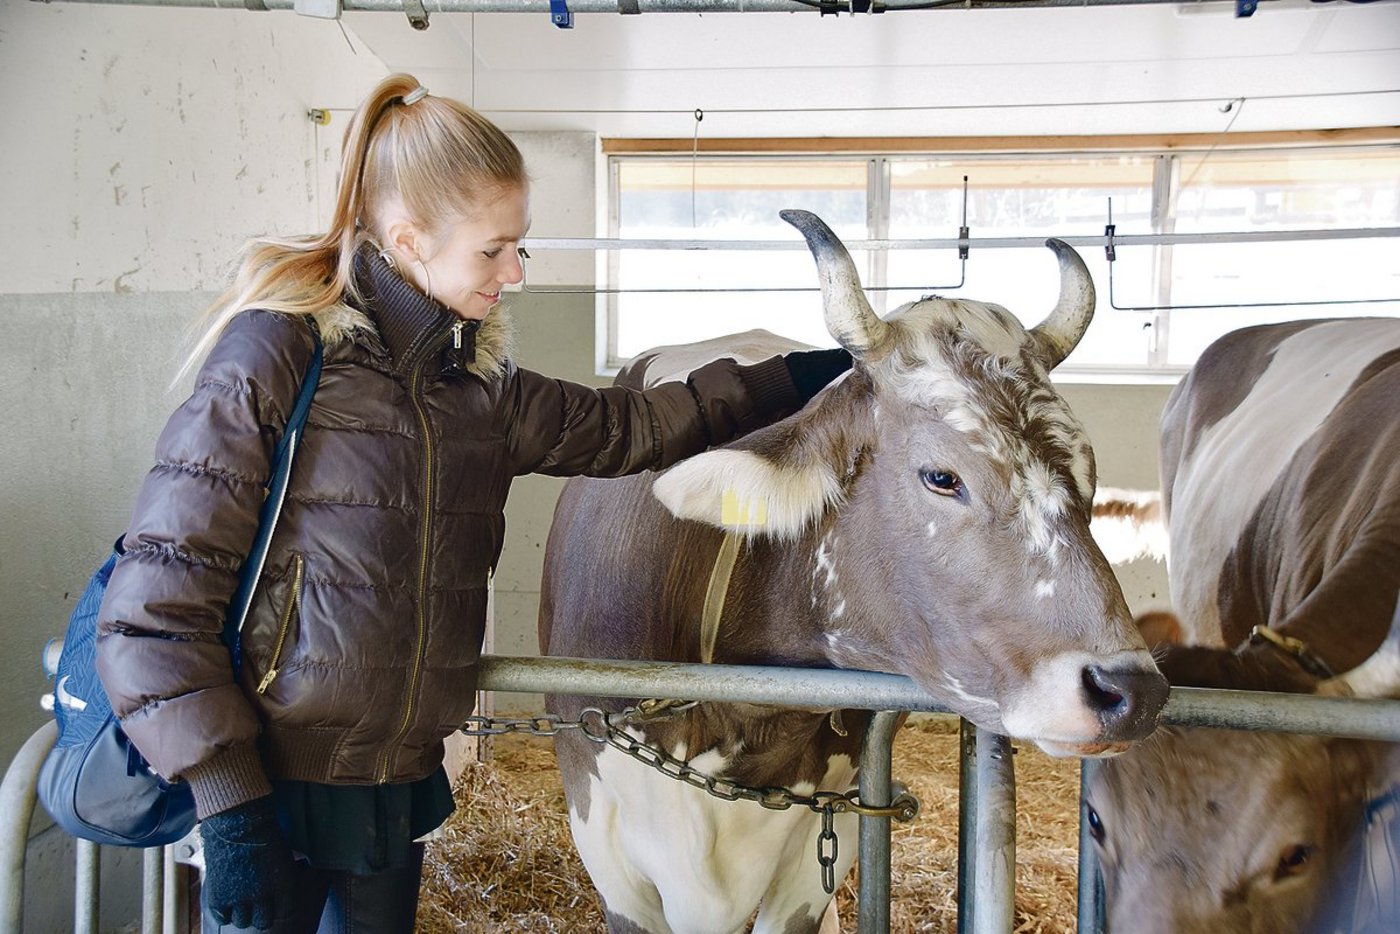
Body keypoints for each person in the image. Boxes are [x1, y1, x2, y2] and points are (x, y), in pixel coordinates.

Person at [93, 73, 850, 933]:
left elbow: (631, 426)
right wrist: (229, 807)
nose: (516, 273)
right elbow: (153, 609)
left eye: (518, 246)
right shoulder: (278, 354)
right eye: (494, 250)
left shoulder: (478, 387)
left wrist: (802, 378)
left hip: (391, 788)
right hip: (268, 794)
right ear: (409, 238)